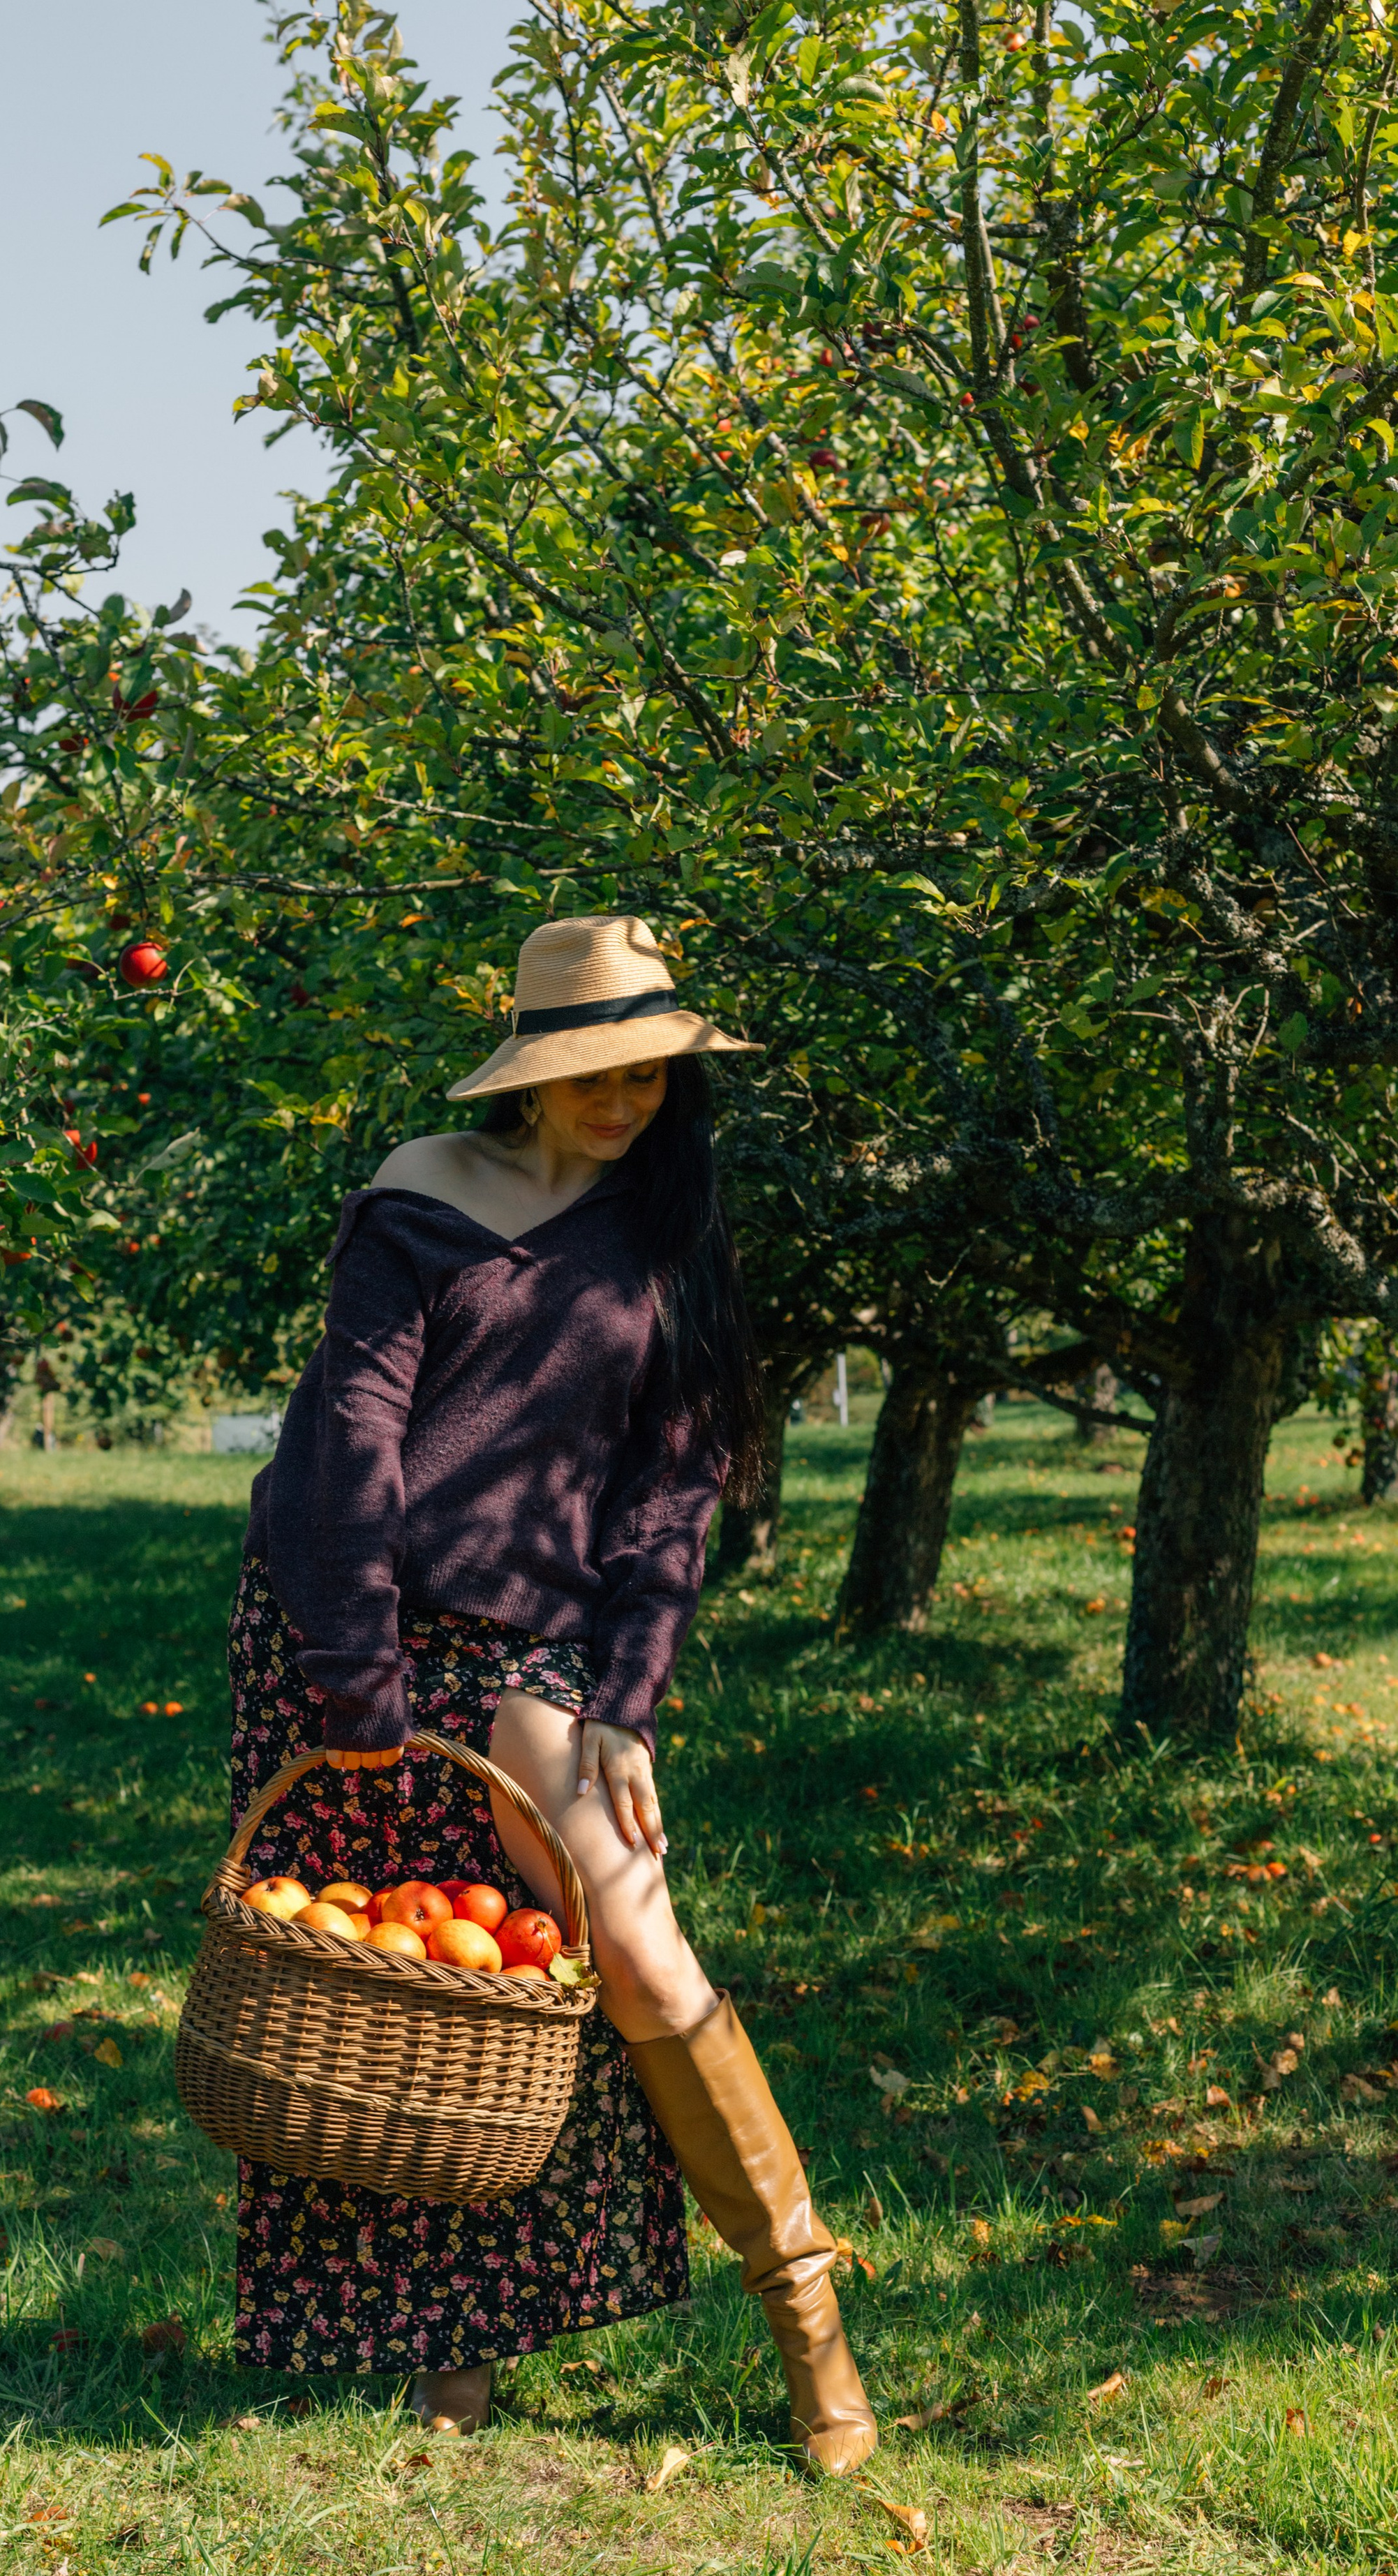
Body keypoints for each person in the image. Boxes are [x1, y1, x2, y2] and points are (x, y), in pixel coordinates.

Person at [229, 913, 877, 2471]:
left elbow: (675, 1483)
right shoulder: (418, 1193)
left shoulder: (667, 1223)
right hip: (348, 1621)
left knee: (632, 1951)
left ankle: (811, 2331)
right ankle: (451, 2363)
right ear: (527, 1068)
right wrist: (358, 1679)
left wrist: (626, 1700)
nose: (627, 1100)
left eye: (650, 1072)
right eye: (596, 1072)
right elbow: (351, 1434)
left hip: (531, 1640)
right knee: (424, 2001)